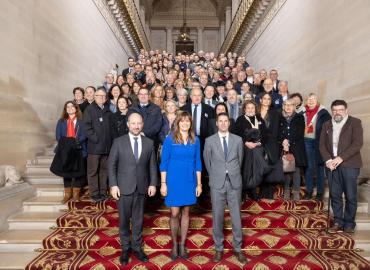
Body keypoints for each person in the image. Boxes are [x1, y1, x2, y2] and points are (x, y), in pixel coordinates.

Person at [108, 112, 158, 265]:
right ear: (128, 124)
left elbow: (152, 166)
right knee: (123, 220)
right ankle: (125, 248)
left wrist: (153, 183)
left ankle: (137, 248)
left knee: (138, 220)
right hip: (123, 188)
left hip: (142, 187)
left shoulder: (149, 142)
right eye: (133, 123)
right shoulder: (118, 142)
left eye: (139, 123)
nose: (136, 126)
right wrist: (113, 185)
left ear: (142, 124)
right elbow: (111, 165)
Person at [203, 113, 247, 264]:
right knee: (218, 216)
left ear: (229, 123)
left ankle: (238, 248)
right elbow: (207, 162)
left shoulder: (238, 140)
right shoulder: (209, 141)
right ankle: (218, 248)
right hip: (217, 183)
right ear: (217, 123)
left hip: (234, 182)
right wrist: (216, 175)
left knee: (236, 217)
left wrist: (231, 172)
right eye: (220, 121)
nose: (223, 123)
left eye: (225, 121)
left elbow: (240, 160)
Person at [160, 111, 202, 260]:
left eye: (188, 121)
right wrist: (163, 184)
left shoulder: (195, 140)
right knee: (174, 213)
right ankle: (174, 244)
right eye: (182, 121)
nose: (185, 123)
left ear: (191, 124)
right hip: (173, 181)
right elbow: (163, 163)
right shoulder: (170, 139)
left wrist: (199, 184)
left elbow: (198, 163)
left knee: (186, 213)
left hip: (189, 180)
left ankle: (182, 244)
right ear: (178, 123)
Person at [320, 100, 363, 234]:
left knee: (350, 195)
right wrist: (328, 160)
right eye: (335, 110)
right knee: (335, 194)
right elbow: (321, 145)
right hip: (332, 166)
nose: (337, 112)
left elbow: (357, 144)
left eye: (340, 110)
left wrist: (340, 158)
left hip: (350, 165)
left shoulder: (355, 122)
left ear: (346, 110)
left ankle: (349, 223)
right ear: (332, 111)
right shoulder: (326, 124)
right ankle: (338, 221)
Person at [83, 89, 112, 202]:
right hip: (94, 147)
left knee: (104, 170)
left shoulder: (107, 110)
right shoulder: (89, 110)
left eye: (104, 96)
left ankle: (103, 192)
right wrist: (96, 139)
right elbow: (86, 127)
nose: (102, 98)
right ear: (94, 97)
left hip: (106, 147)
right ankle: (95, 194)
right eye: (99, 96)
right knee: (93, 171)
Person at [235, 100, 268, 201]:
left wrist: (259, 143)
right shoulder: (240, 119)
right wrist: (246, 143)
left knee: (255, 171)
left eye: (252, 108)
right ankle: (242, 192)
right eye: (248, 108)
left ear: (255, 109)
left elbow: (265, 134)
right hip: (245, 149)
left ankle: (252, 191)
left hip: (258, 149)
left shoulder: (260, 120)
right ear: (244, 109)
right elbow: (237, 134)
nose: (250, 110)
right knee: (245, 170)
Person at [55, 101, 87, 203]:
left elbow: (85, 134)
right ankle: (67, 195)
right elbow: (58, 136)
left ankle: (76, 194)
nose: (70, 108)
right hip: (65, 150)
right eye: (67, 107)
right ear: (65, 109)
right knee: (66, 171)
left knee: (78, 172)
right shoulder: (61, 121)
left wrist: (75, 142)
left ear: (76, 108)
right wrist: (67, 144)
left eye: (72, 106)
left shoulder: (82, 121)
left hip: (78, 148)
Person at [303, 93, 331, 200]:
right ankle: (309, 191)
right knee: (309, 167)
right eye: (309, 99)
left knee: (320, 167)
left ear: (317, 101)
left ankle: (320, 193)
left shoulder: (323, 113)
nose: (311, 101)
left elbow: (329, 127)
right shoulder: (302, 112)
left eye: (313, 99)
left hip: (319, 142)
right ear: (306, 101)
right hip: (307, 141)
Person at [279, 99, 306, 201]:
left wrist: (288, 141)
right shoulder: (280, 117)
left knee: (296, 171)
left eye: (290, 105)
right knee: (286, 170)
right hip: (284, 147)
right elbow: (278, 131)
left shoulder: (299, 117)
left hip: (296, 147)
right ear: (283, 106)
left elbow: (299, 132)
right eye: (286, 105)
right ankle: (286, 191)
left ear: (294, 106)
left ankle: (296, 192)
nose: (288, 107)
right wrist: (283, 140)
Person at [259, 92, 282, 199]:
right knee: (261, 166)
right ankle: (261, 190)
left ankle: (270, 192)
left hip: (271, 143)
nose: (267, 101)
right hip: (259, 143)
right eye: (265, 98)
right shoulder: (256, 111)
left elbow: (276, 130)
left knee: (270, 166)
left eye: (269, 99)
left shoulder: (275, 113)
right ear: (261, 100)